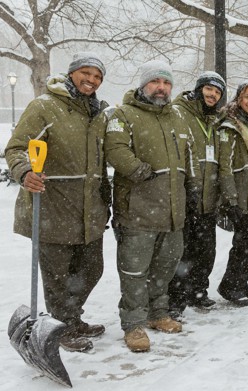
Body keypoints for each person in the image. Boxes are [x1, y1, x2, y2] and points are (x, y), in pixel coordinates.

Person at [5, 52, 110, 353]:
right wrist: (25, 172)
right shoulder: (45, 106)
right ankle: (61, 326)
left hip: (89, 209)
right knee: (58, 277)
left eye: (98, 76)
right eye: (86, 73)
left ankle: (71, 317)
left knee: (91, 270)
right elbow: (17, 147)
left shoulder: (97, 113)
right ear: (72, 73)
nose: (91, 80)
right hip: (54, 206)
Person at [105, 60, 192, 352]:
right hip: (138, 210)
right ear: (143, 85)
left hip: (172, 212)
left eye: (166, 83)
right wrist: (138, 170)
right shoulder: (124, 114)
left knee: (165, 267)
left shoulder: (177, 117)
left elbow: (187, 157)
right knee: (134, 271)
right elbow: (115, 149)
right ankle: (133, 325)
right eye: (156, 82)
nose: (162, 88)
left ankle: (158, 313)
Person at [167, 71, 225, 319]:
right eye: (209, 89)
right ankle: (175, 299)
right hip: (185, 196)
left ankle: (198, 291)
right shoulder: (179, 113)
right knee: (183, 252)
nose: (212, 95)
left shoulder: (214, 120)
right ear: (199, 89)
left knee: (206, 250)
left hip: (207, 197)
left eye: (218, 92)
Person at [215, 80, 248, 307]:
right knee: (246, 244)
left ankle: (240, 282)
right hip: (240, 197)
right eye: (247, 97)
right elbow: (224, 166)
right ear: (238, 98)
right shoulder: (230, 126)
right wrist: (231, 199)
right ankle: (230, 285)